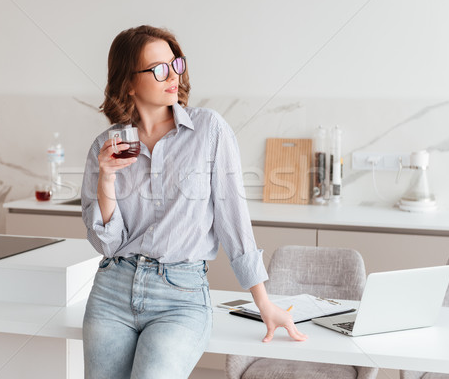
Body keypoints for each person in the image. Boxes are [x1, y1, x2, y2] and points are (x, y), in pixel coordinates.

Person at [81, 25, 307, 379]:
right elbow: (108, 243)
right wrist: (105, 178)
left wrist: (263, 301)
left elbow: (233, 218)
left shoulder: (209, 130)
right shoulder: (106, 146)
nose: (172, 75)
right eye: (158, 69)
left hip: (180, 297)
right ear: (128, 82)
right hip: (112, 292)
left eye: (176, 64)